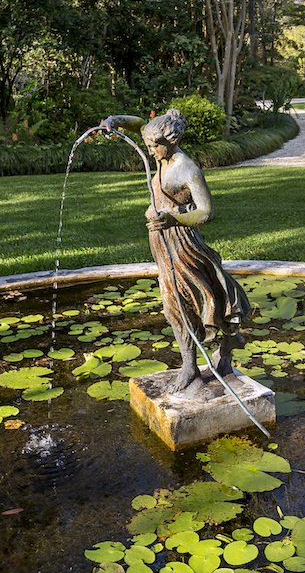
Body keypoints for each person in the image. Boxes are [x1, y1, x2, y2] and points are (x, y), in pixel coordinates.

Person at [94, 109, 251, 397]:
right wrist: (115, 122)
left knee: (187, 301)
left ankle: (206, 359)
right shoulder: (161, 153)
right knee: (177, 304)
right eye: (149, 146)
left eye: (154, 146)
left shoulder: (187, 169)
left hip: (182, 244)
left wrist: (174, 219)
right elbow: (142, 124)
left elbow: (207, 211)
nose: (150, 151)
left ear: (170, 141)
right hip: (162, 243)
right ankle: (204, 358)